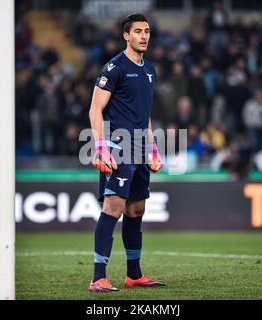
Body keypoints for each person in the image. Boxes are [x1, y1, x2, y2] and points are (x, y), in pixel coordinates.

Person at [88, 13, 165, 292]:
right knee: (114, 207)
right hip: (118, 147)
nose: (144, 36)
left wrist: (153, 147)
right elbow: (95, 108)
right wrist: (99, 147)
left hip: (140, 149)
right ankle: (98, 277)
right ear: (126, 36)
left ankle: (134, 274)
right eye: (137, 31)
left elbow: (143, 114)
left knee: (136, 209)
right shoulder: (114, 68)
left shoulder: (149, 70)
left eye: (147, 31)